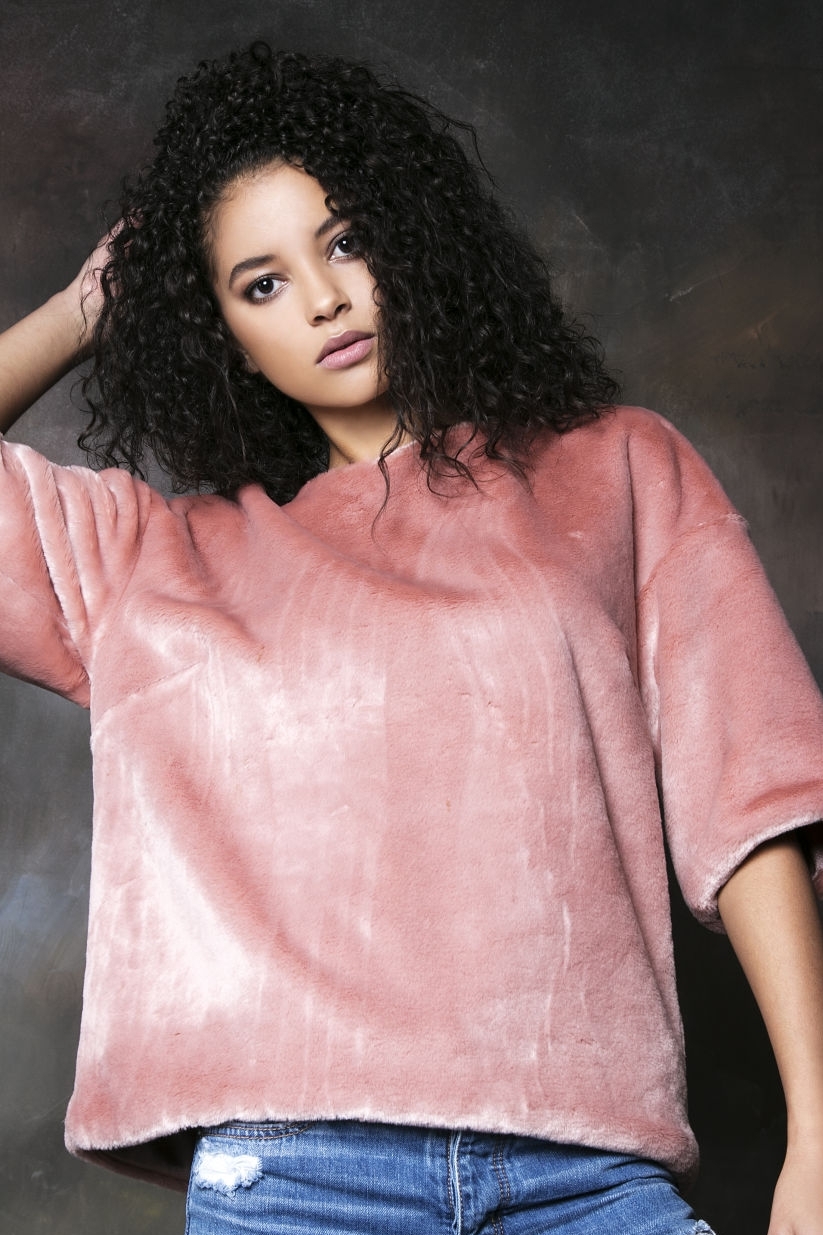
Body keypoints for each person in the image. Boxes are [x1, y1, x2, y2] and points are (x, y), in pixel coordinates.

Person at [1, 41, 823, 1235]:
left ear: (411, 236)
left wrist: (816, 1128)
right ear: (216, 329)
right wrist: (89, 306)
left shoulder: (616, 469)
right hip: (294, 1180)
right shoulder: (152, 560)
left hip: (586, 1175)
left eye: (344, 241)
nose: (323, 298)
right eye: (260, 283)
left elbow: (752, 808)